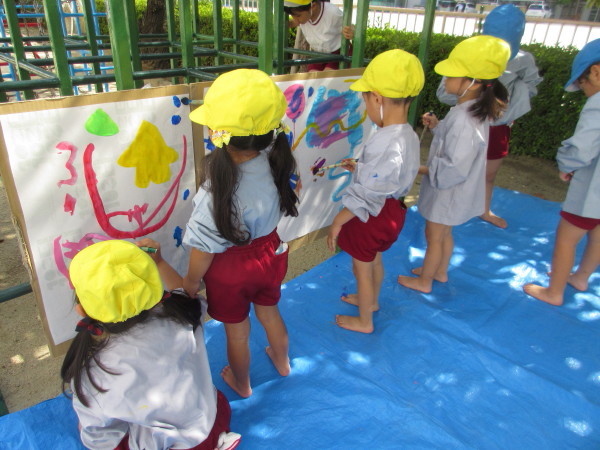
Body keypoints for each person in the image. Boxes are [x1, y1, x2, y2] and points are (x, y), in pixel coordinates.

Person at [183, 69, 299, 398]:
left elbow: (204, 249)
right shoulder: (277, 162)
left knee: (237, 332)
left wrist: (191, 281)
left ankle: (242, 383)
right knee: (269, 312)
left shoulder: (215, 191)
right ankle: (283, 362)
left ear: (215, 132)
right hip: (271, 254)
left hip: (230, 270)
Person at [61, 239, 241, 450]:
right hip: (214, 417)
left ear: (82, 310)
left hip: (179, 444)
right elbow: (185, 292)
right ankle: (217, 441)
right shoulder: (181, 312)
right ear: (151, 285)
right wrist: (160, 262)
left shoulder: (93, 372)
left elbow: (98, 436)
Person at [398, 35, 510, 294]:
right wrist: (438, 126)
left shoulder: (465, 118)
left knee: (434, 236)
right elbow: (453, 143)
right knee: (444, 234)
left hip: (449, 191)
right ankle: (439, 271)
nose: (445, 79)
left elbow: (455, 166)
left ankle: (425, 281)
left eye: (451, 75)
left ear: (472, 82)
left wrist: (419, 169)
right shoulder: (467, 110)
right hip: (452, 189)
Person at [326, 49, 424, 333]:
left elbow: (369, 193)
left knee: (362, 268)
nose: (367, 105)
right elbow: (389, 177)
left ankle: (365, 321)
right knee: (375, 260)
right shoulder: (407, 134)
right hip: (393, 212)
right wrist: (360, 168)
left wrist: (339, 220)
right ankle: (371, 301)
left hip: (372, 215)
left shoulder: (385, 141)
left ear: (378, 99)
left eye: (366, 99)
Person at [436, 4, 542, 229]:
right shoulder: (471, 54)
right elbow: (446, 90)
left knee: (488, 174)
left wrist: (505, 108)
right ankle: (452, 209)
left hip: (497, 127)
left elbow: (530, 85)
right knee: (457, 168)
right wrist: (469, 100)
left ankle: (483, 209)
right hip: (469, 119)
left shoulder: (523, 59)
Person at [523, 39, 600, 305]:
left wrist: (566, 165)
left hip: (591, 191)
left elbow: (583, 147)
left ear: (596, 72)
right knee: (597, 233)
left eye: (582, 84)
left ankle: (554, 292)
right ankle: (581, 277)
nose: (583, 91)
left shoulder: (598, 104)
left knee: (567, 238)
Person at [284, 0, 353, 72]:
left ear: (313, 6)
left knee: (326, 76)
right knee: (312, 76)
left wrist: (351, 31)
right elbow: (294, 22)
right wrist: (288, 24)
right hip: (319, 54)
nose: (296, 20)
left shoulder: (332, 13)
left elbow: (349, 27)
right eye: (292, 16)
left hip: (338, 52)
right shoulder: (304, 15)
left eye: (298, 16)